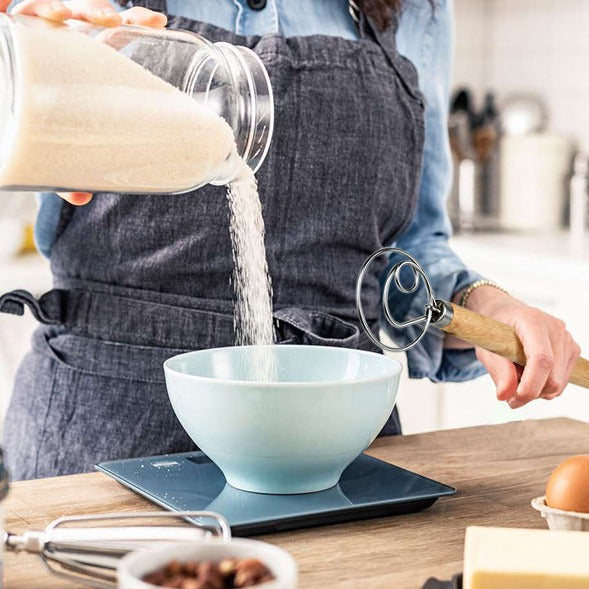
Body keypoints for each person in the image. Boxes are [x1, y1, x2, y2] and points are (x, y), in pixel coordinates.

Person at [0, 0, 580, 480]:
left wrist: (489, 304)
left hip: (338, 451)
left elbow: (410, 248)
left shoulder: (417, 10)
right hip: (98, 439)